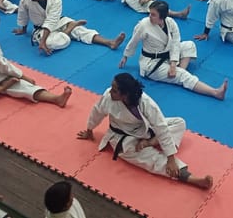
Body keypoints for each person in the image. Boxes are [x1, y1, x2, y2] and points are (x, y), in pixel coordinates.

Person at [77, 73, 214, 189]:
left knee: (179, 123)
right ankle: (190, 178)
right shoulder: (108, 97)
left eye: (114, 90)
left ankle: (150, 143)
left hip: (145, 129)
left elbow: (160, 126)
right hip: (123, 136)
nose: (109, 91)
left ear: (125, 94)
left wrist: (171, 158)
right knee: (147, 159)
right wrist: (90, 129)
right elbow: (97, 111)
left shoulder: (145, 102)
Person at [0, 11, 72, 109]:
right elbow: (2, 64)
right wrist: (23, 76)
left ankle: (56, 98)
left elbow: (0, 61)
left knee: (20, 85)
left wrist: (18, 76)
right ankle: (3, 87)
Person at [119, 0, 228, 100]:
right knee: (183, 76)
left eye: (153, 14)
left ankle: (178, 71)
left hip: (167, 54)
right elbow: (133, 41)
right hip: (152, 64)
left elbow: (175, 43)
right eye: (150, 13)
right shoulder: (143, 25)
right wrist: (125, 56)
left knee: (189, 45)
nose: (149, 16)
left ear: (163, 16)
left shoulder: (170, 22)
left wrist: (173, 65)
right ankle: (215, 92)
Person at [13, 0, 123, 55]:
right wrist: (23, 29)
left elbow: (51, 21)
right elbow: (23, 13)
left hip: (58, 22)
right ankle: (70, 28)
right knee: (49, 43)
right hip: (40, 29)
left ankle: (110, 42)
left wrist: (42, 42)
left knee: (80, 31)